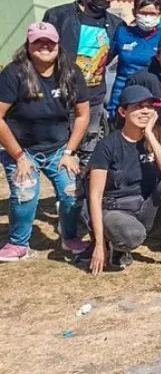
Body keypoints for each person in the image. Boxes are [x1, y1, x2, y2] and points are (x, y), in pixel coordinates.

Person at [0, 22, 90, 261]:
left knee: (72, 191)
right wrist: (19, 157)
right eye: (38, 42)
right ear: (28, 46)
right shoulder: (14, 73)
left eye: (49, 41)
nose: (45, 46)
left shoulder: (71, 72)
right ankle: (18, 243)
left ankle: (69, 237)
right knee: (26, 192)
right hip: (21, 148)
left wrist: (70, 152)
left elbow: (83, 115)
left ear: (58, 45)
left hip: (59, 147)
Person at [82, 85, 161, 273]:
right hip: (115, 210)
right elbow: (95, 195)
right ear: (123, 112)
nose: (146, 111)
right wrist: (98, 245)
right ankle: (116, 246)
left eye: (150, 106)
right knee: (133, 235)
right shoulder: (107, 145)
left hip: (145, 208)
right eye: (139, 106)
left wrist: (149, 135)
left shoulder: (159, 135)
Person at [43, 0, 123, 167]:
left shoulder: (116, 25)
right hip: (60, 96)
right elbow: (41, 52)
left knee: (89, 150)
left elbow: (110, 56)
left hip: (93, 98)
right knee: (56, 151)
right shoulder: (58, 16)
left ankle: (84, 193)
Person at [107, 0, 161, 116]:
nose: (147, 17)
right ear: (134, 12)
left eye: (152, 14)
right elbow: (104, 60)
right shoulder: (122, 33)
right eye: (143, 13)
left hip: (152, 96)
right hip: (122, 95)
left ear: (160, 14)